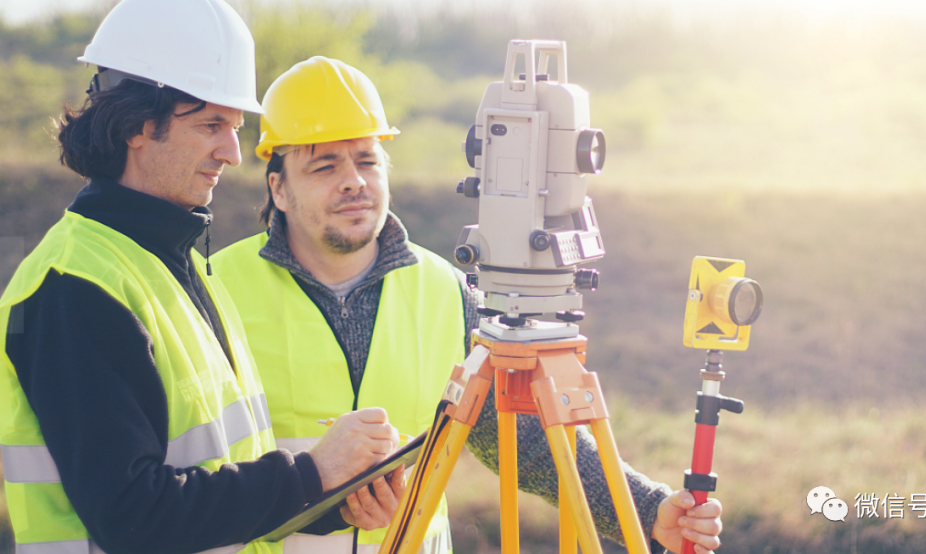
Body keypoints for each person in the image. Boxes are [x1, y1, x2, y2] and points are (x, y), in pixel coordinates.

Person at [213, 56, 723, 554]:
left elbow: (524, 443)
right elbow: (186, 468)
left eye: (367, 160)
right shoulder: (216, 289)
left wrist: (648, 510)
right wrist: (314, 489)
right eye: (324, 165)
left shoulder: (448, 291)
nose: (354, 181)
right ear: (278, 188)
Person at [0, 4, 391, 554]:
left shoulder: (178, 265)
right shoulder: (73, 287)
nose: (232, 153)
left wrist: (328, 503)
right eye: (211, 125)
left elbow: (213, 479)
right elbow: (135, 518)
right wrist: (308, 475)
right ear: (135, 124)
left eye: (233, 127)